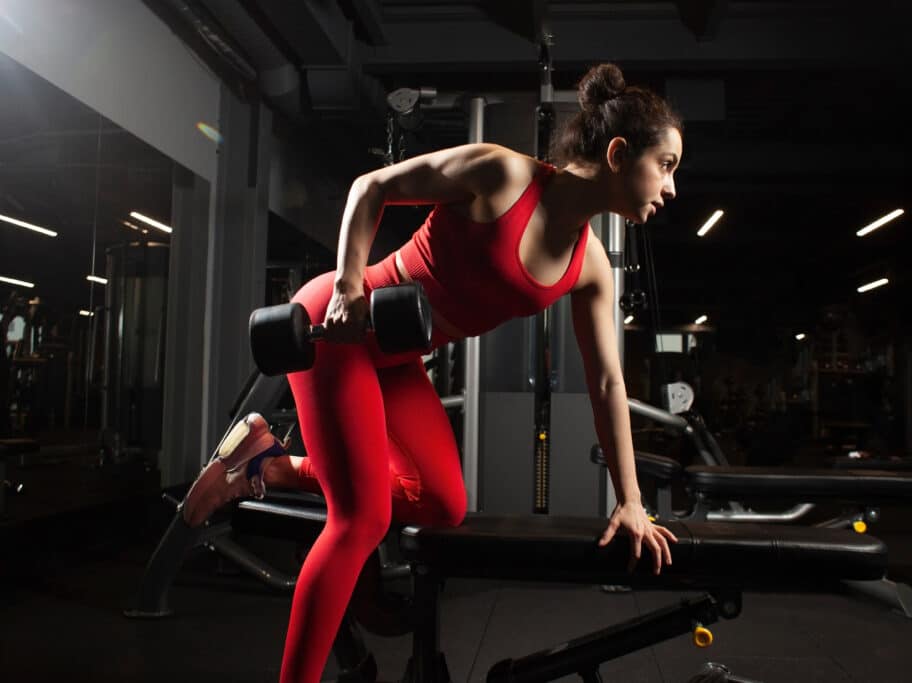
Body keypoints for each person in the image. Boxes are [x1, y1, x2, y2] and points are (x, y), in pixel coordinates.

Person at [182, 63, 683, 683]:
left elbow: (609, 384)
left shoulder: (592, 268)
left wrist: (631, 501)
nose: (671, 186)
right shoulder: (502, 174)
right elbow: (372, 187)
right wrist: (346, 285)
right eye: (666, 165)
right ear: (616, 153)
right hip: (337, 327)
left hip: (397, 358)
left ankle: (268, 465)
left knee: (444, 503)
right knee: (360, 517)